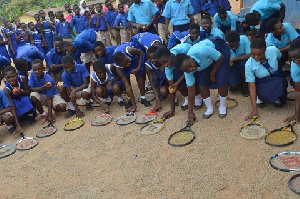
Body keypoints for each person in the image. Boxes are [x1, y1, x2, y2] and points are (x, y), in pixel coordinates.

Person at [173, 37, 230, 124]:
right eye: (187, 70)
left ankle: (222, 107)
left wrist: (212, 73)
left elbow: (220, 57)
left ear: (189, 57)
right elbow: (191, 91)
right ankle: (209, 108)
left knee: (221, 81)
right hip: (205, 62)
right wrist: (190, 113)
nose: (191, 69)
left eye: (190, 65)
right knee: (201, 84)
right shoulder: (187, 70)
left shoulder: (201, 50)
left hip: (218, 51)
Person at [244, 38, 287, 120]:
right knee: (265, 94)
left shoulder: (273, 50)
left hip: (274, 78)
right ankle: (260, 97)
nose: (256, 57)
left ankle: (277, 96)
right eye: (253, 54)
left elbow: (279, 59)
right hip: (261, 81)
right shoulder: (249, 64)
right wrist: (254, 109)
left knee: (282, 81)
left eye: (259, 54)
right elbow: (251, 86)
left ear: (265, 50)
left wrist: (279, 72)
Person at [155, 44, 201, 118]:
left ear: (171, 55)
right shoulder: (168, 67)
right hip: (180, 66)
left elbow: (187, 70)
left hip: (193, 63)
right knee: (177, 81)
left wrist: (178, 82)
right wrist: (172, 110)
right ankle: (186, 98)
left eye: (166, 61)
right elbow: (172, 88)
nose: (165, 65)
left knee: (194, 79)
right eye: (162, 63)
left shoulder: (184, 50)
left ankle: (198, 96)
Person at [113, 42, 152, 108]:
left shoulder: (129, 50)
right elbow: (126, 84)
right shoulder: (118, 67)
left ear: (125, 56)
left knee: (139, 75)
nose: (128, 65)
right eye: (125, 64)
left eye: (127, 62)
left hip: (136, 57)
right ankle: (130, 99)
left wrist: (138, 67)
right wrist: (134, 105)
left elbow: (140, 53)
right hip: (124, 61)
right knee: (126, 79)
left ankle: (143, 98)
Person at [29, 59, 66, 124]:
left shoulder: (49, 79)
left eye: (39, 69)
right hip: (42, 94)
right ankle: (43, 114)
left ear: (43, 69)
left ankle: (55, 108)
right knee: (32, 96)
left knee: (62, 107)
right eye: (34, 70)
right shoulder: (32, 74)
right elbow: (30, 88)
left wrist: (50, 116)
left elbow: (49, 98)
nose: (37, 71)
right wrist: (42, 87)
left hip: (52, 95)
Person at [225, 31, 251, 96]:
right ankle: (241, 80)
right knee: (233, 87)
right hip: (233, 64)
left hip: (243, 61)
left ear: (239, 40)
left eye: (236, 45)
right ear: (227, 43)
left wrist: (234, 59)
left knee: (244, 65)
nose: (234, 48)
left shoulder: (244, 39)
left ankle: (244, 85)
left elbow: (250, 54)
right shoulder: (224, 45)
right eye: (231, 46)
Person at [145, 46, 169, 111]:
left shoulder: (164, 61)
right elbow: (153, 83)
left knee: (164, 91)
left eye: (155, 58)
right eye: (150, 59)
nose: (153, 60)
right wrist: (158, 102)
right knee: (163, 92)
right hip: (159, 82)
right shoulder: (148, 66)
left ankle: (173, 96)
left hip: (168, 80)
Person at [285, 38, 300, 122]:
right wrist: (297, 113)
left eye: (299, 57)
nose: (296, 61)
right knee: (293, 82)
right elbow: (298, 91)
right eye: (293, 58)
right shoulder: (295, 66)